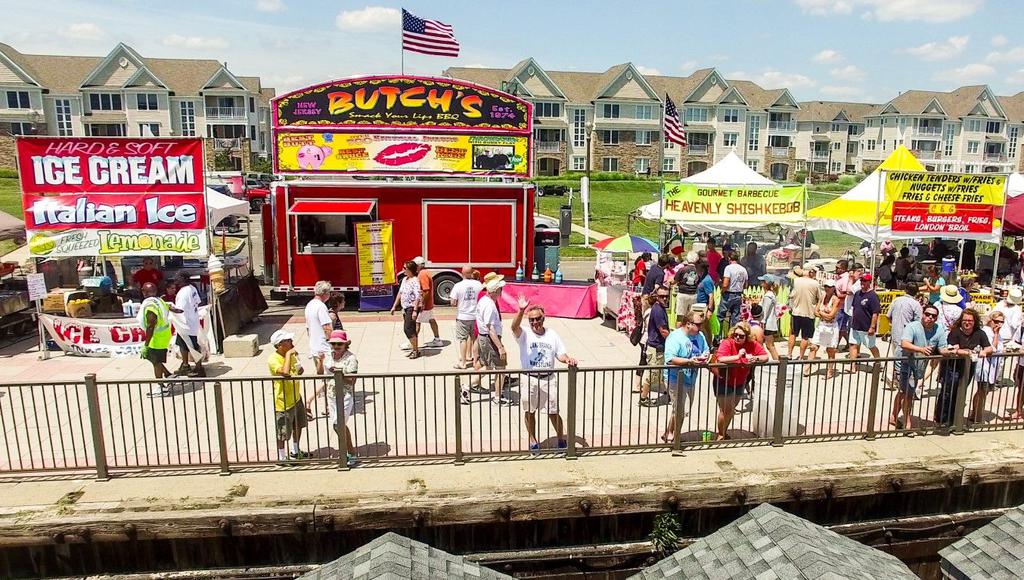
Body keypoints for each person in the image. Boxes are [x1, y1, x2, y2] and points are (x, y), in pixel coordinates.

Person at [512, 297, 577, 452]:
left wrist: (568, 359)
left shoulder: (552, 334)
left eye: (538, 319)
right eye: (532, 320)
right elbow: (514, 327)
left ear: (543, 318)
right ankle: (532, 439)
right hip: (530, 378)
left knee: (553, 411)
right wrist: (521, 310)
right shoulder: (525, 334)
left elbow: (560, 353)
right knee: (530, 411)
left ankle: (561, 438)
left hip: (548, 379)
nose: (535, 322)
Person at [891, 305, 949, 431]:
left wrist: (953, 351)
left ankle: (894, 416)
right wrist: (921, 349)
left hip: (919, 365)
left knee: (904, 391)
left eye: (933, 316)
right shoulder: (913, 326)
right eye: (927, 314)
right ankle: (907, 424)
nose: (930, 318)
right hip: (904, 361)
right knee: (908, 393)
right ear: (922, 314)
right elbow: (904, 344)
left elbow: (943, 348)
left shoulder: (939, 329)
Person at [307, 330, 357, 467]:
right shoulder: (329, 356)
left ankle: (350, 452)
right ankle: (347, 451)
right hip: (331, 395)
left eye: (339, 344)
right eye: (333, 343)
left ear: (345, 344)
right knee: (337, 425)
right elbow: (319, 373)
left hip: (345, 396)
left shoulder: (351, 358)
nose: (336, 346)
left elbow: (352, 380)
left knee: (338, 424)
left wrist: (337, 372)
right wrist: (321, 361)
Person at [936, 309, 991, 428]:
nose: (967, 323)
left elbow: (989, 348)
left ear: (974, 321)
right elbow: (952, 349)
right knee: (947, 393)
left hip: (967, 368)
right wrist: (965, 352)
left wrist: (983, 351)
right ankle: (942, 420)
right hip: (951, 367)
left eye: (970, 321)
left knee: (960, 393)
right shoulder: (955, 332)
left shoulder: (979, 333)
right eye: (965, 320)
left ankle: (955, 420)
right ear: (961, 321)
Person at [714, 322, 768, 440]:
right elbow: (721, 358)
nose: (737, 337)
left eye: (741, 336)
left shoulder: (752, 344)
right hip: (724, 380)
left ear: (747, 336)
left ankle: (724, 431)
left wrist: (755, 358)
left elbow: (765, 356)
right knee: (725, 409)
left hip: (740, 381)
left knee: (731, 409)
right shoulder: (727, 342)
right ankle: (720, 434)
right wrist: (738, 357)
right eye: (735, 335)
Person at [662, 310, 710, 442]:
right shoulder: (675, 337)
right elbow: (670, 359)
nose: (701, 327)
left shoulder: (700, 336)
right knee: (680, 409)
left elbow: (706, 350)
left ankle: (669, 432)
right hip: (675, 378)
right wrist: (689, 361)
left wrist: (705, 357)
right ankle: (675, 438)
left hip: (691, 379)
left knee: (682, 409)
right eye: (698, 324)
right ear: (688, 324)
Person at [268, 330, 311, 462]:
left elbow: (298, 371)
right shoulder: (273, 359)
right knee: (283, 432)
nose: (292, 343)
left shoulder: (290, 356)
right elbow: (285, 373)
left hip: (296, 398)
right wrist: (288, 355)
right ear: (279, 344)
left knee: (298, 425)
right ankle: (282, 457)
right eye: (288, 341)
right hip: (283, 402)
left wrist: (298, 366)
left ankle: (295, 450)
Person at [476, 273, 511, 406]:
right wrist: (500, 347)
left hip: (485, 339)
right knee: (501, 368)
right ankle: (497, 397)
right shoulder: (489, 306)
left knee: (488, 367)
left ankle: (467, 387)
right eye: (500, 289)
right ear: (495, 291)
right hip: (490, 340)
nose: (502, 292)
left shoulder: (485, 301)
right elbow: (490, 329)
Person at [140, 282, 174, 397]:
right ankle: (168, 375)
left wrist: (146, 344)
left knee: (155, 362)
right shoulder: (159, 301)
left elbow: (151, 325)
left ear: (145, 292)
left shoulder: (150, 306)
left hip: (157, 337)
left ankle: (160, 387)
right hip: (164, 334)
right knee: (153, 358)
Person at [970, 312, 1005, 424]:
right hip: (985, 365)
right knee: (982, 390)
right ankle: (977, 416)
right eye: (996, 321)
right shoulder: (986, 331)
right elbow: (992, 348)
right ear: (990, 320)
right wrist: (995, 334)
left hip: (994, 366)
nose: (998, 324)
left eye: (1001, 322)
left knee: (986, 390)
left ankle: (974, 413)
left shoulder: (999, 334)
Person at [639, 285, 671, 407]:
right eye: (662, 296)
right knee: (651, 374)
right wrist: (674, 340)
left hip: (659, 347)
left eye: (666, 296)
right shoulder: (658, 310)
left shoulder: (660, 308)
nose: (665, 298)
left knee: (661, 373)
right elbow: (663, 331)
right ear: (657, 297)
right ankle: (643, 398)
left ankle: (668, 394)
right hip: (655, 348)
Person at [172, 271, 204, 378]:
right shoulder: (192, 288)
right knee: (182, 344)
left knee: (193, 347)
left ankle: (199, 368)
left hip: (187, 324)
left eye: (177, 278)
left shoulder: (183, 292)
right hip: (188, 323)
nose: (175, 281)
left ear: (183, 278)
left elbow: (179, 310)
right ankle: (185, 365)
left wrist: (168, 307)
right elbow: (197, 301)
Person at [450, 266, 482, 370]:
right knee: (475, 339)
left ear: (462, 273)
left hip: (463, 316)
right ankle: (475, 360)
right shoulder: (479, 285)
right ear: (472, 273)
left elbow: (453, 303)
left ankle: (463, 363)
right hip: (476, 316)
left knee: (462, 339)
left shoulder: (458, 286)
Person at [787, 265, 821, 362]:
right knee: (805, 337)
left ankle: (789, 354)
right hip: (809, 313)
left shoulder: (796, 281)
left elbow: (791, 295)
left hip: (796, 311)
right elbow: (820, 298)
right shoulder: (815, 283)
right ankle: (801, 357)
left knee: (793, 334)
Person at [808, 279, 841, 378]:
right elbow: (815, 311)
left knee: (830, 350)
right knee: (813, 347)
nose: (827, 288)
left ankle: (829, 371)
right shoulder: (822, 296)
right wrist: (823, 314)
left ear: (833, 288)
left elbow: (830, 316)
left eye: (829, 287)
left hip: (831, 326)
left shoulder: (836, 300)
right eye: (826, 286)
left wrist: (821, 313)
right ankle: (807, 368)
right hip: (822, 324)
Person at [389, 261, 423, 359]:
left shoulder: (415, 281)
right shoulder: (405, 279)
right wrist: (394, 306)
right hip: (405, 307)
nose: (403, 270)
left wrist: (415, 310)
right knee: (409, 329)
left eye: (405, 268)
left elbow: (417, 296)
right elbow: (400, 293)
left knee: (408, 329)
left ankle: (415, 350)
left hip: (411, 307)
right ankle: (414, 349)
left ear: (410, 270)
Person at [848, 273, 881, 368]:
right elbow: (855, 308)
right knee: (853, 344)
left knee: (871, 346)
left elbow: (875, 313)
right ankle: (853, 366)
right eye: (861, 280)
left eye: (865, 281)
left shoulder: (873, 296)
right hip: (855, 325)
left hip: (866, 327)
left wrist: (872, 327)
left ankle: (878, 362)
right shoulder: (858, 293)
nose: (862, 282)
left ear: (869, 282)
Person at [412, 256, 442, 348]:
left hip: (425, 304)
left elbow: (426, 290)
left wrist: (422, 303)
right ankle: (437, 340)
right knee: (431, 320)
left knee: (416, 322)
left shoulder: (422, 274)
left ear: (419, 266)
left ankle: (413, 342)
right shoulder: (426, 272)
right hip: (428, 303)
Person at [886, 283, 923, 357]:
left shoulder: (896, 300)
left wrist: (894, 324)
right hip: (907, 339)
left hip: (895, 335)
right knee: (904, 362)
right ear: (917, 292)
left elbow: (888, 316)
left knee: (896, 359)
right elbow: (918, 323)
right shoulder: (916, 304)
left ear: (905, 290)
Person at [304, 281, 333, 376]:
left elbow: (308, 328)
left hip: (314, 346)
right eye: (329, 293)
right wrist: (332, 343)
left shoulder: (309, 305)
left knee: (322, 376)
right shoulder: (321, 307)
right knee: (330, 376)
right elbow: (327, 327)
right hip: (324, 347)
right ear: (325, 293)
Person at [718, 251, 748, 338]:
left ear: (729, 259)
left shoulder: (728, 268)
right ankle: (733, 336)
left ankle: (718, 338)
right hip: (738, 294)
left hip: (728, 294)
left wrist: (722, 291)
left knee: (721, 316)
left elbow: (725, 284)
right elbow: (746, 284)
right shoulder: (743, 269)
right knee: (735, 317)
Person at [673, 252, 700, 323]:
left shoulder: (682, 269)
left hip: (682, 294)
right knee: (691, 317)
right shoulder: (698, 270)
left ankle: (679, 332)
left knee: (680, 317)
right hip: (694, 294)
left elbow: (675, 281)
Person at [758, 275, 781, 360]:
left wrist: (762, 323)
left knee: (770, 345)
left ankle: (777, 362)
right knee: (769, 345)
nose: (761, 283)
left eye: (762, 281)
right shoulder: (771, 294)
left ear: (766, 283)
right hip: (770, 323)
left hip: (768, 324)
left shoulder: (768, 296)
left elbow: (765, 311)